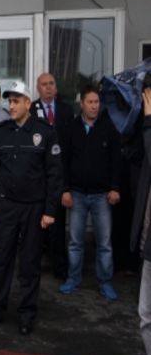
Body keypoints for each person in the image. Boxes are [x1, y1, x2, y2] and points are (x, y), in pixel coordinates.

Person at [0, 81, 63, 336]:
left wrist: (50, 210)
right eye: (10, 101)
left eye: (16, 101)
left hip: (34, 209)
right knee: (1, 260)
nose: (11, 105)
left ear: (28, 103)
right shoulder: (1, 132)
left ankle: (27, 314)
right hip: (6, 207)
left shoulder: (45, 132)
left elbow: (55, 175)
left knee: (29, 264)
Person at [58, 85, 121, 300]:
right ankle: (73, 279)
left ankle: (105, 282)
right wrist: (65, 190)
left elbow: (116, 161)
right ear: (82, 104)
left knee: (104, 243)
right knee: (75, 242)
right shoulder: (72, 128)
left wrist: (114, 188)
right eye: (90, 102)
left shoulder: (108, 127)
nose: (94, 106)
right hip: (76, 194)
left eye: (97, 102)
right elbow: (63, 162)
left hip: (102, 195)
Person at [123, 83, 151, 355]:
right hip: (148, 239)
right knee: (146, 314)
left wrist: (148, 123)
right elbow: (131, 153)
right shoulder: (145, 127)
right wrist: (135, 119)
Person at [32, 72, 74, 279]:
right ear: (38, 88)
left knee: (57, 229)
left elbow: (71, 151)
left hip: (59, 179)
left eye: (51, 84)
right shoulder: (31, 109)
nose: (48, 87)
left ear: (56, 88)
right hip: (37, 180)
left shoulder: (67, 111)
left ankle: (60, 269)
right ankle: (33, 269)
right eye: (44, 84)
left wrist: (66, 187)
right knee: (36, 229)